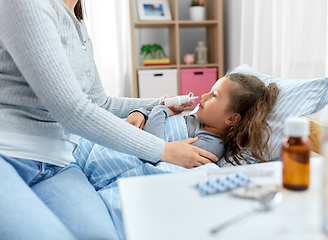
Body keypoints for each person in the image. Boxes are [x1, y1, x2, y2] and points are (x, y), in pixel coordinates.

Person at [0, 0, 217, 239]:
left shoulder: (77, 24)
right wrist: (164, 150)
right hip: (8, 153)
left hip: (57, 164)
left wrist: (158, 103)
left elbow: (99, 103)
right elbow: (72, 110)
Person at [130, 72, 280, 165]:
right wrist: (141, 112)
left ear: (232, 119)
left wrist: (161, 109)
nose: (204, 96)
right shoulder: (198, 120)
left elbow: (151, 149)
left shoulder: (210, 145)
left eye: (214, 95)